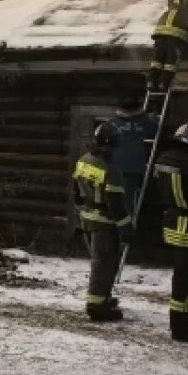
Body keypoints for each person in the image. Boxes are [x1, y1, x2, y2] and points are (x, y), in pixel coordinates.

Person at [153, 122, 188, 343]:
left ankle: (184, 314)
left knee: (183, 273)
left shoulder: (163, 158)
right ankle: (180, 325)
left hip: (171, 220)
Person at [73, 124, 133, 322]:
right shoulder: (111, 169)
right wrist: (126, 227)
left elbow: (75, 188)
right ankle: (96, 306)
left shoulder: (82, 160)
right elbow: (116, 203)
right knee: (104, 264)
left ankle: (103, 297)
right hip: (104, 222)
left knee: (100, 261)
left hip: (86, 218)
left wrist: (80, 208)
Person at [98, 91, 160, 227]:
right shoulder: (144, 122)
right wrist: (153, 116)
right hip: (132, 169)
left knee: (113, 200)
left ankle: (115, 231)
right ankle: (126, 232)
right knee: (127, 203)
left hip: (112, 169)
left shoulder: (111, 124)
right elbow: (155, 126)